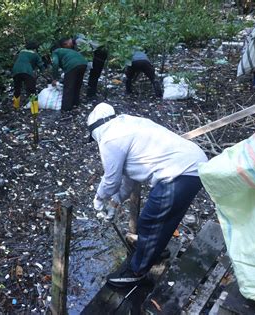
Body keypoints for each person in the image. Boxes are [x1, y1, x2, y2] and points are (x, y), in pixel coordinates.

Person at [87, 103, 208, 287]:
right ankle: (154, 252)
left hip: (179, 174)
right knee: (166, 219)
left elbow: (111, 180)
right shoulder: (128, 125)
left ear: (95, 130)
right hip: (194, 168)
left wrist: (99, 199)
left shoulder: (110, 139)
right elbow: (129, 178)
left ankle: (136, 271)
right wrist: (115, 203)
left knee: (150, 221)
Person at [51, 38, 88, 111]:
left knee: (68, 87)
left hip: (72, 65)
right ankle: (75, 103)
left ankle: (66, 108)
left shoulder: (55, 52)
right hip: (83, 63)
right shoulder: (68, 51)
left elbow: (55, 63)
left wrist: (54, 78)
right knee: (77, 84)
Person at [11, 41, 45, 109]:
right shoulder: (35, 54)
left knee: (17, 89)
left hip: (15, 71)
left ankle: (15, 106)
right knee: (32, 90)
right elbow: (41, 65)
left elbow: (15, 60)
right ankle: (34, 109)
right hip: (27, 71)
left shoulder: (21, 52)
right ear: (35, 48)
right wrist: (44, 72)